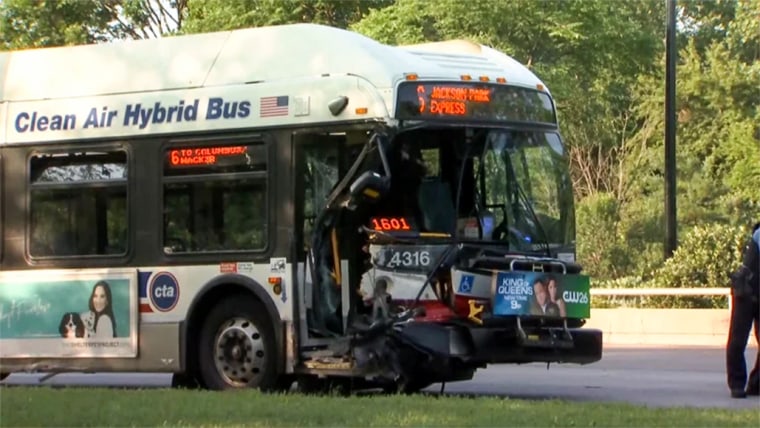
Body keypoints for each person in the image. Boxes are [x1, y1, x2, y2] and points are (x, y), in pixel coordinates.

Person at [726, 222, 760, 398]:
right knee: (738, 341)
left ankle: (756, 384)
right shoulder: (759, 235)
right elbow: (748, 267)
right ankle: (737, 384)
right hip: (745, 292)